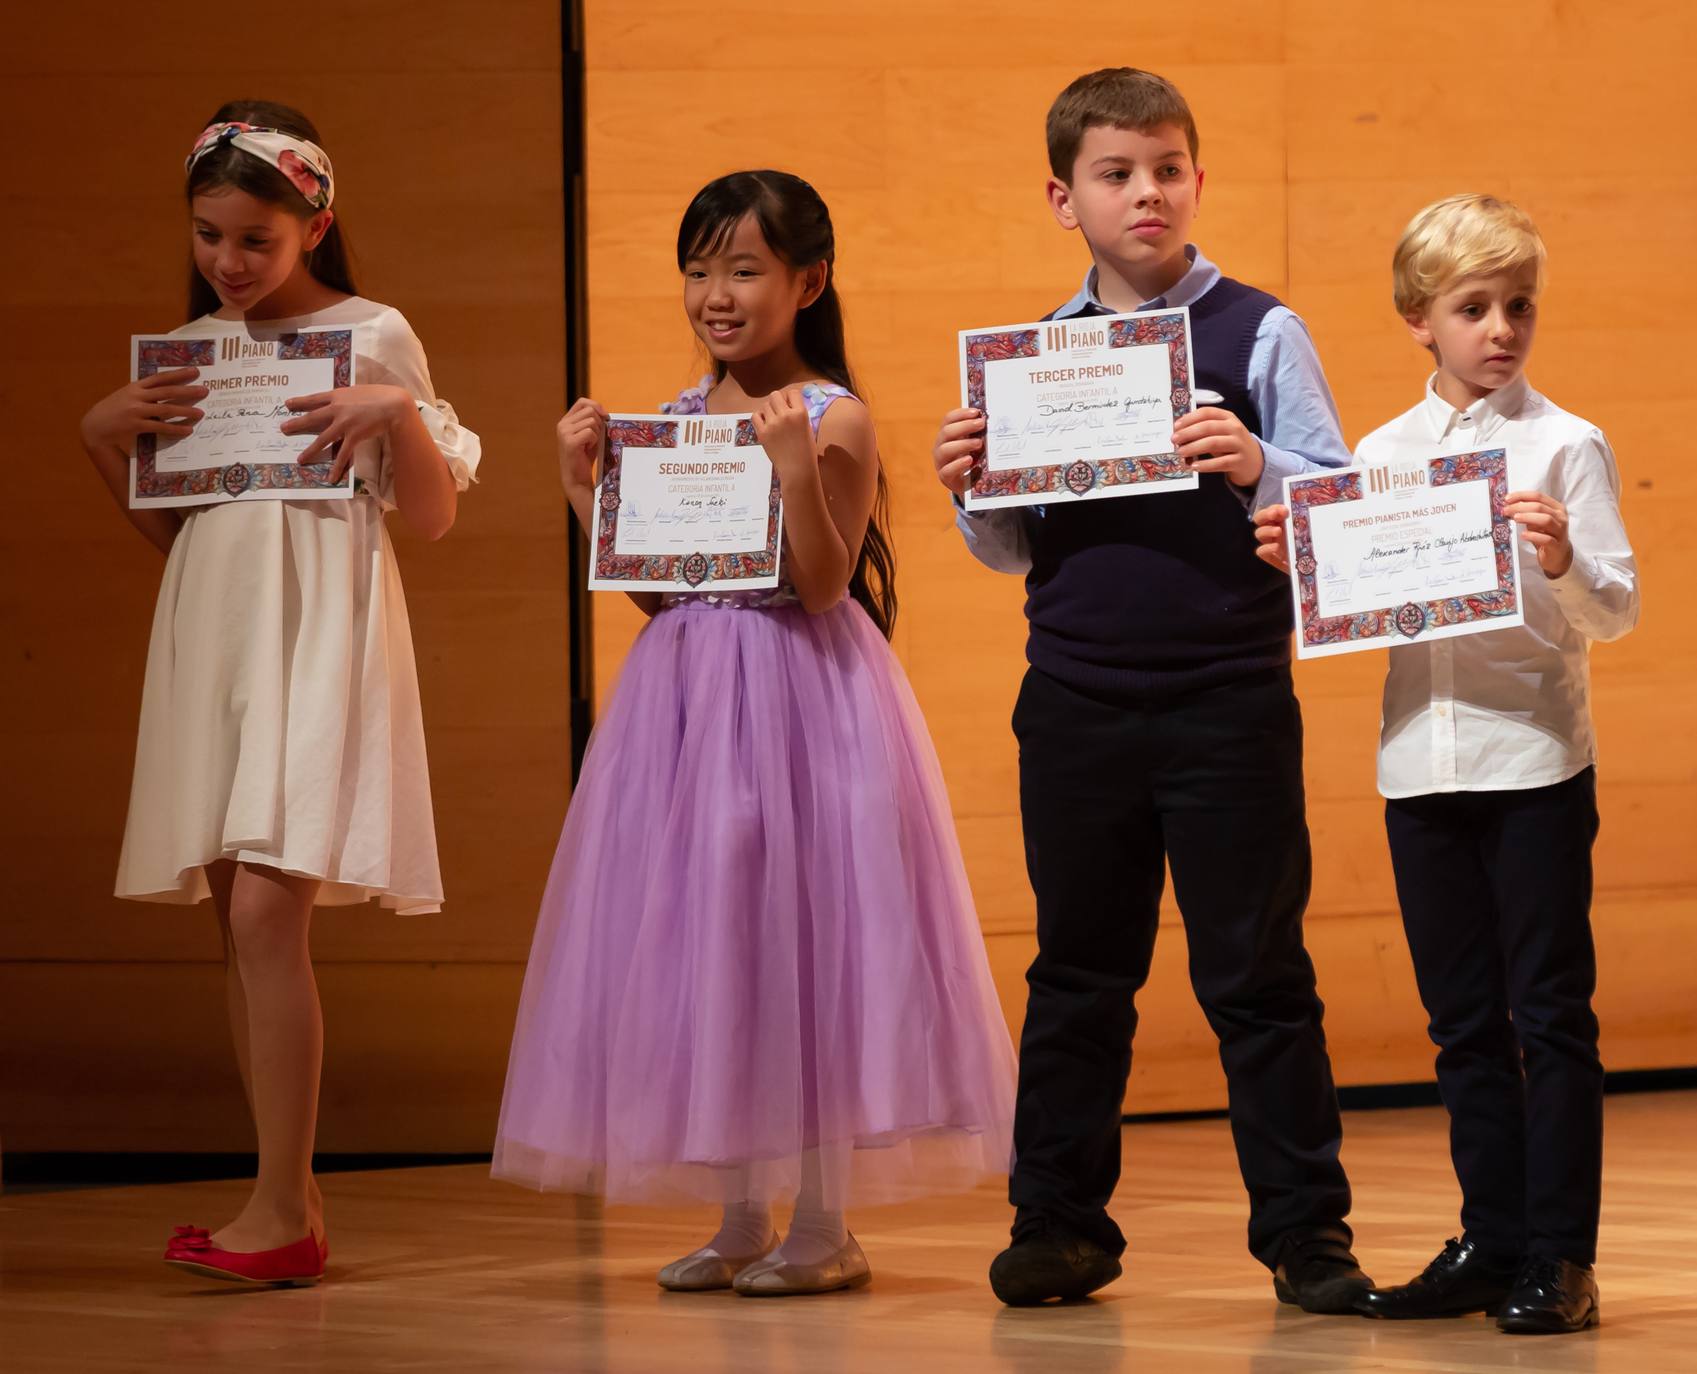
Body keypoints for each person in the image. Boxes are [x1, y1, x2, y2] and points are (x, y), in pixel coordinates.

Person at [493, 170, 1016, 1297]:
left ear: (806, 281)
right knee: (718, 932)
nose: (714, 295)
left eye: (741, 269)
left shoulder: (834, 415)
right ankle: (739, 1217)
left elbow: (823, 586)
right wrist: (583, 490)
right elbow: (652, 589)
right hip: (684, 704)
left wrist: (791, 471)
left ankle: (822, 1225)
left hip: (797, 695)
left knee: (810, 932)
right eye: (697, 269)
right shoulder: (677, 422)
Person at [931, 67, 1368, 1309]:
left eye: (1166, 168)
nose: (1146, 193)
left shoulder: (1259, 331)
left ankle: (1305, 1239)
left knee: (1257, 978)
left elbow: (1334, 511)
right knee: (1077, 974)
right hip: (1072, 704)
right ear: (1063, 197)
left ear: (1193, 178)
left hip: (1227, 703)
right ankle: (1058, 1226)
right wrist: (973, 487)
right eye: (1116, 173)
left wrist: (1258, 464)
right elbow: (1017, 552)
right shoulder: (1036, 360)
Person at [80, 100, 480, 1287]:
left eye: (255, 238)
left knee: (266, 914)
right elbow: (187, 540)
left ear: (316, 225)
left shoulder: (373, 334)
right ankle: (284, 1195)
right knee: (235, 921)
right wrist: (104, 441)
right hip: (216, 632)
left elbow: (435, 514)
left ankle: (283, 1213)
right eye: (210, 235)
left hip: (320, 632)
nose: (229, 261)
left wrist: (396, 414)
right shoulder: (195, 349)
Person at [1257, 193, 1638, 1334]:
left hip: (1529, 763)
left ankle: (1561, 1258)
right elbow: (1358, 613)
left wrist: (1563, 555)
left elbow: (1614, 612)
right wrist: (1297, 564)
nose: (1500, 328)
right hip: (1418, 768)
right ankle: (1492, 1237)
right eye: (1472, 308)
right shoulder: (1374, 455)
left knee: (1548, 1017)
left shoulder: (1563, 445)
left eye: (1516, 305)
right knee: (1460, 1023)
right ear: (1417, 318)